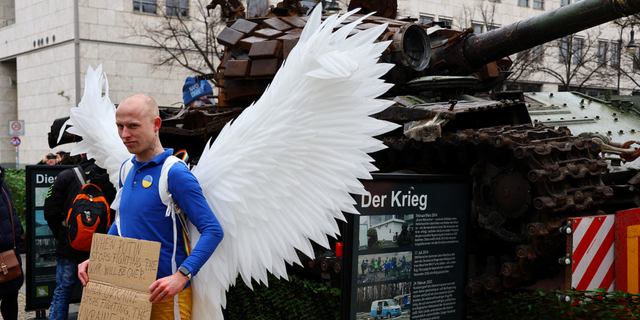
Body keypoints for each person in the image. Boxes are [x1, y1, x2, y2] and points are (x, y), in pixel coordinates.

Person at [78, 94, 224, 320]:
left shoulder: (175, 173)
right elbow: (121, 224)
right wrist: (99, 259)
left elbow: (213, 230)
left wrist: (182, 275)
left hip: (165, 298)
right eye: (120, 126)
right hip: (127, 294)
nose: (125, 135)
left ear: (156, 125)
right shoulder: (127, 169)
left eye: (133, 126)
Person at [44, 155, 116, 320]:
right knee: (96, 293)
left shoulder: (67, 176)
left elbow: (50, 210)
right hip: (100, 246)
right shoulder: (112, 177)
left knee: (63, 291)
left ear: (82, 155)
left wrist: (64, 235)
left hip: (69, 247)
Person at [0, 165, 24, 320]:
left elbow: (11, 211)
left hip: (10, 253)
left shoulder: (2, 184)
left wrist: (17, 232)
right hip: (5, 249)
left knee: (10, 296)